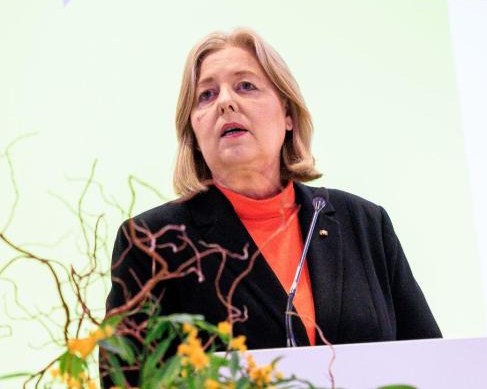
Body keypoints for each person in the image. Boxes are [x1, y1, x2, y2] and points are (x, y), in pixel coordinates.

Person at [105, 28, 441, 360]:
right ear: (192, 129)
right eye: (206, 95)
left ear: (289, 115)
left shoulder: (365, 225)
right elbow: (127, 378)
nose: (225, 102)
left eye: (245, 86)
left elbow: (432, 363)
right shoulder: (152, 243)